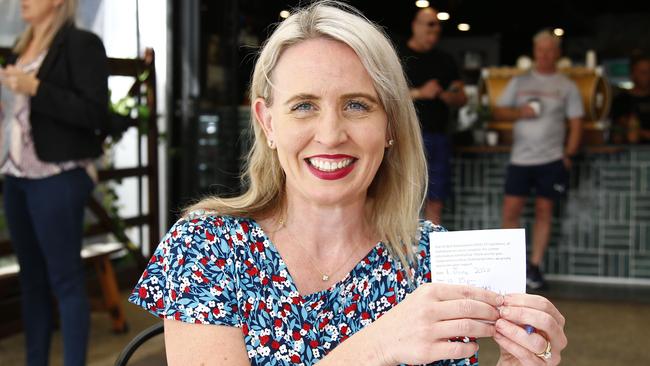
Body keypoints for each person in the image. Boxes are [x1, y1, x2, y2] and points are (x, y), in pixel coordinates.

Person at [130, 2, 567, 365]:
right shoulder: (208, 247)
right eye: (303, 106)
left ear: (390, 124)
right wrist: (378, 344)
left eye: (357, 105)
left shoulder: (434, 264)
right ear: (267, 123)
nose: (331, 134)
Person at [0, 0, 109, 364]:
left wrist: (35, 87)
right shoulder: (21, 47)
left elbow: (95, 113)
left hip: (57, 176)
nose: (21, 1)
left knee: (66, 282)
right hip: (16, 176)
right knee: (31, 281)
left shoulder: (81, 43)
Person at [493, 29, 583, 291]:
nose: (544, 55)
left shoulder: (566, 85)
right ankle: (512, 267)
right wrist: (519, 111)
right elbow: (497, 109)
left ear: (557, 53)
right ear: (534, 52)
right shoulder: (519, 82)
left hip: (551, 159)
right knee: (510, 211)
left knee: (545, 211)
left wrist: (569, 154)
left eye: (549, 50)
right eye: (540, 50)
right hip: (520, 159)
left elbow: (576, 123)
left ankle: (534, 265)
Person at [399, 6, 467, 225]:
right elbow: (385, 96)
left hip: (438, 136)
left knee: (435, 200)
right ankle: (403, 253)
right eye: (428, 27)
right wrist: (420, 92)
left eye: (436, 30)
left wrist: (449, 96)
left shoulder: (445, 60)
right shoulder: (398, 55)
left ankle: (431, 254)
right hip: (406, 136)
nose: (432, 34)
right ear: (415, 25)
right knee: (404, 197)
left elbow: (461, 96)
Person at [610, 54, 650, 144]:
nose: (648, 76)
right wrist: (643, 133)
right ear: (633, 74)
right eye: (643, 72)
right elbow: (622, 124)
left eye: (649, 72)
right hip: (631, 152)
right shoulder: (621, 100)